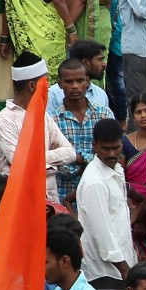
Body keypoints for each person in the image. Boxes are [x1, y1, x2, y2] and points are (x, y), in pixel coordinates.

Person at [0, 54, 77, 204]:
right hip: (20, 201)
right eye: (46, 82)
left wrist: (37, 159)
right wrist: (51, 159)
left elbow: (70, 153)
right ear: (32, 86)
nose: (49, 87)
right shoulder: (3, 121)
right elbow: (21, 162)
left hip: (50, 201)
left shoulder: (43, 116)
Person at [75, 117, 135, 284]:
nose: (111, 154)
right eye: (105, 149)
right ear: (94, 146)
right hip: (105, 272)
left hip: (121, 264)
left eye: (115, 148)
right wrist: (125, 270)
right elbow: (102, 233)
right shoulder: (95, 182)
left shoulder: (116, 169)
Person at [52, 55, 109, 206]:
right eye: (69, 82)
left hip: (100, 195)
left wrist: (76, 158)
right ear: (60, 84)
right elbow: (55, 163)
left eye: (80, 80)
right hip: (63, 197)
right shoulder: (52, 121)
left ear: (88, 82)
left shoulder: (104, 115)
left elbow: (110, 155)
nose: (75, 86)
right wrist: (89, 161)